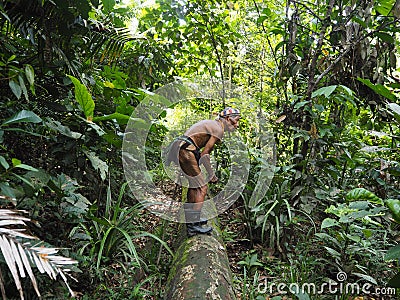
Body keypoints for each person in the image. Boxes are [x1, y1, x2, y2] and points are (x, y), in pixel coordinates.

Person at [166, 107, 241, 237]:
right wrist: (211, 174)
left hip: (182, 148)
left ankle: (191, 220)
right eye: (236, 120)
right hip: (185, 150)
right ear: (228, 119)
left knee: (194, 185)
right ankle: (194, 226)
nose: (237, 125)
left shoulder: (214, 125)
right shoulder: (218, 129)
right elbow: (205, 154)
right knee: (202, 187)